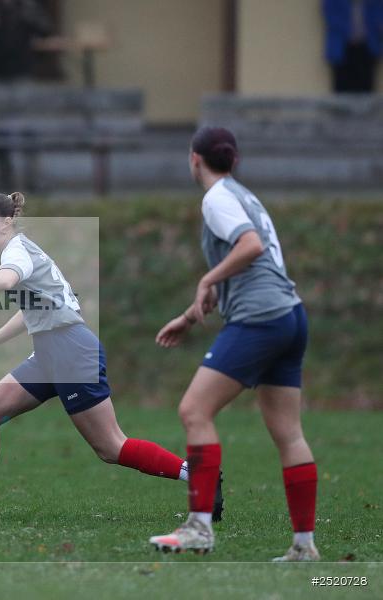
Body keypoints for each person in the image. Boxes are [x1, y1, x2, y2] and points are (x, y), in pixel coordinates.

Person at [0, 193, 217, 517]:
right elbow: (31, 311)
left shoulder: (17, 251)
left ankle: (201, 476)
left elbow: (5, 281)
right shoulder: (20, 251)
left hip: (70, 352)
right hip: (51, 353)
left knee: (110, 446)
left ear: (6, 223)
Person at [147, 127, 317, 561]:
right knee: (289, 433)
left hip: (260, 320)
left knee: (194, 410)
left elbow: (251, 247)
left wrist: (207, 277)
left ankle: (199, 528)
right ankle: (304, 547)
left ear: (194, 160)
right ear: (234, 160)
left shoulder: (217, 197)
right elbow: (253, 261)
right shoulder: (246, 196)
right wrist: (190, 315)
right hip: (290, 315)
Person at [323, 0, 383, 92]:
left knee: (366, 88)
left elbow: (378, 20)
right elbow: (332, 18)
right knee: (342, 88)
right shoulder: (334, 2)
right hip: (343, 49)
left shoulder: (373, 2)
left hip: (366, 48)